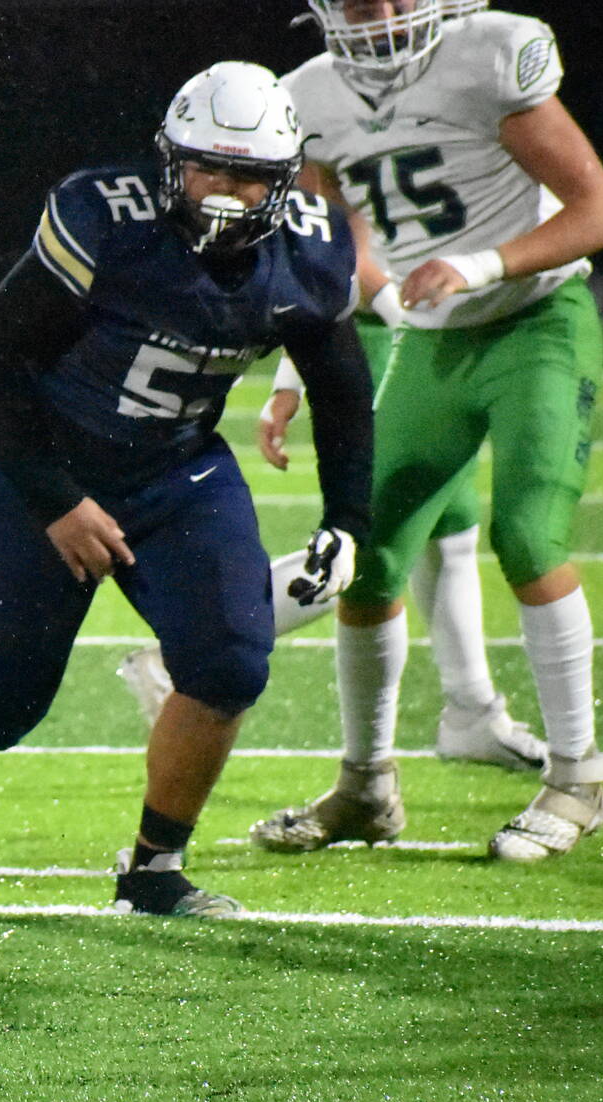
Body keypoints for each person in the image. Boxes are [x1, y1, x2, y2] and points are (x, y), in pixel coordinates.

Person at [0, 62, 375, 915]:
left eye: (248, 176)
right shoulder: (106, 219)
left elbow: (337, 385)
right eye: (207, 169)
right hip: (51, 465)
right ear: (169, 161)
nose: (224, 194)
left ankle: (154, 869)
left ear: (283, 177)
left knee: (229, 658)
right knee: (0, 711)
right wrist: (56, 500)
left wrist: (346, 517)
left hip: (179, 471)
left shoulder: (309, 244)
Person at [253, 0, 603, 860]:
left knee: (527, 532)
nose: (374, 14)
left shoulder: (490, 54)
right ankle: (366, 785)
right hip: (430, 341)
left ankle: (578, 776)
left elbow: (596, 205)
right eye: (354, 1)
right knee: (367, 555)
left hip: (536, 321)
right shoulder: (307, 93)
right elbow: (333, 240)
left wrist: (481, 264)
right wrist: (297, 365)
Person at [117, 295, 545, 771]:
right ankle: (187, 652)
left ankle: (472, 705)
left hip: (421, 337)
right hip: (399, 341)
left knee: (449, 523)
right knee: (376, 541)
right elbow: (349, 262)